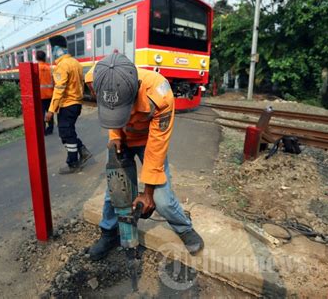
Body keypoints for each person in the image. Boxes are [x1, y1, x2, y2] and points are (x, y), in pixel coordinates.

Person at [85, 53, 204, 260]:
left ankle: (184, 228)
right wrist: (115, 136)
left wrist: (147, 194)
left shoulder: (160, 94)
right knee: (113, 191)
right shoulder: (96, 78)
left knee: (162, 200)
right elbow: (109, 108)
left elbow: (156, 151)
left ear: (136, 88)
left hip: (150, 141)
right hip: (121, 136)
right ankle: (108, 233)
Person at [45, 35, 92, 174]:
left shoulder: (62, 65)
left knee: (66, 133)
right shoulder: (75, 62)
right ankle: (82, 151)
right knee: (69, 131)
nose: (51, 52)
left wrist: (51, 110)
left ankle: (73, 163)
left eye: (52, 48)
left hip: (67, 104)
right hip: (76, 103)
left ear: (56, 48)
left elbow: (59, 89)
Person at [36, 50, 54, 135]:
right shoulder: (50, 68)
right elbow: (54, 81)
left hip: (40, 96)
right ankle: (50, 129)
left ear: (36, 58)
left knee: (41, 114)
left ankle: (43, 131)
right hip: (50, 94)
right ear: (44, 58)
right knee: (50, 112)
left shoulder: (35, 69)